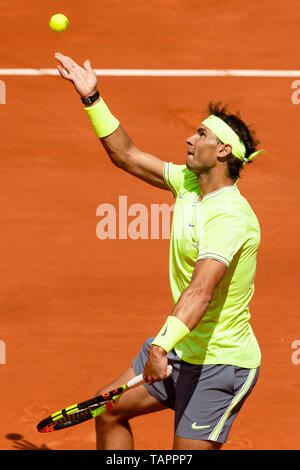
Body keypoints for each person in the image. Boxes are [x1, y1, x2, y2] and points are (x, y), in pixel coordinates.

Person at [54, 52, 266, 451]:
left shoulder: (231, 218)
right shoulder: (189, 182)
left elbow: (200, 292)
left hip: (221, 364)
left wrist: (160, 345)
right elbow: (127, 155)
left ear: (223, 152)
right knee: (109, 411)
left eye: (202, 135)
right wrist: (91, 97)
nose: (190, 138)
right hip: (180, 347)